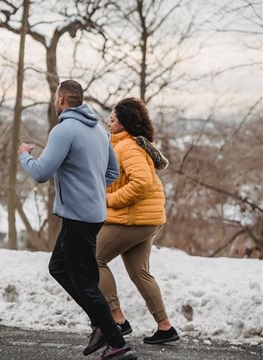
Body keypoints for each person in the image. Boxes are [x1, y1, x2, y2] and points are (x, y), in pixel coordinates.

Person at [17, 80, 137, 360]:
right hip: (92, 215)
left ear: (60, 100)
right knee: (58, 267)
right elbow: (111, 172)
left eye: (55, 98)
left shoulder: (64, 130)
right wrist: (90, 188)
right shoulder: (98, 130)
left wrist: (24, 155)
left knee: (84, 282)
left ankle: (116, 342)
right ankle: (100, 323)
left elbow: (40, 173)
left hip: (78, 217)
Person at [89, 97, 179, 350]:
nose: (109, 121)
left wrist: (109, 200)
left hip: (135, 219)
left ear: (125, 121)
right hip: (146, 219)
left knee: (94, 257)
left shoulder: (128, 147)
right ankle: (165, 327)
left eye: (114, 118)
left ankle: (117, 320)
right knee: (140, 272)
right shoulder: (126, 144)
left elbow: (142, 183)